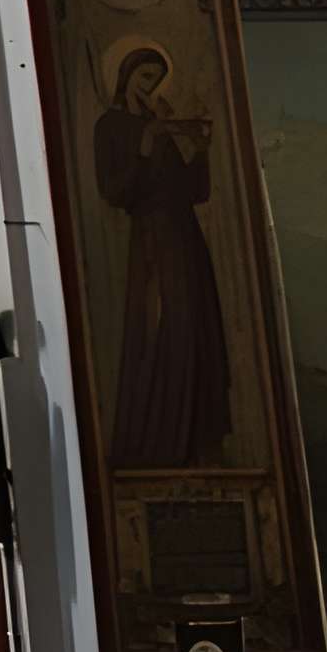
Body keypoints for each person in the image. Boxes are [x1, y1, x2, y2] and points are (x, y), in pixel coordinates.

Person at [95, 40, 230, 470]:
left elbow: (195, 191)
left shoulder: (160, 123)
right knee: (163, 329)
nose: (151, 87)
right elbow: (116, 192)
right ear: (126, 78)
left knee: (198, 328)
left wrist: (201, 148)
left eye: (156, 79)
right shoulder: (112, 126)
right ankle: (158, 442)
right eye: (145, 77)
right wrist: (146, 145)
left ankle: (197, 441)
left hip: (184, 236)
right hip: (153, 241)